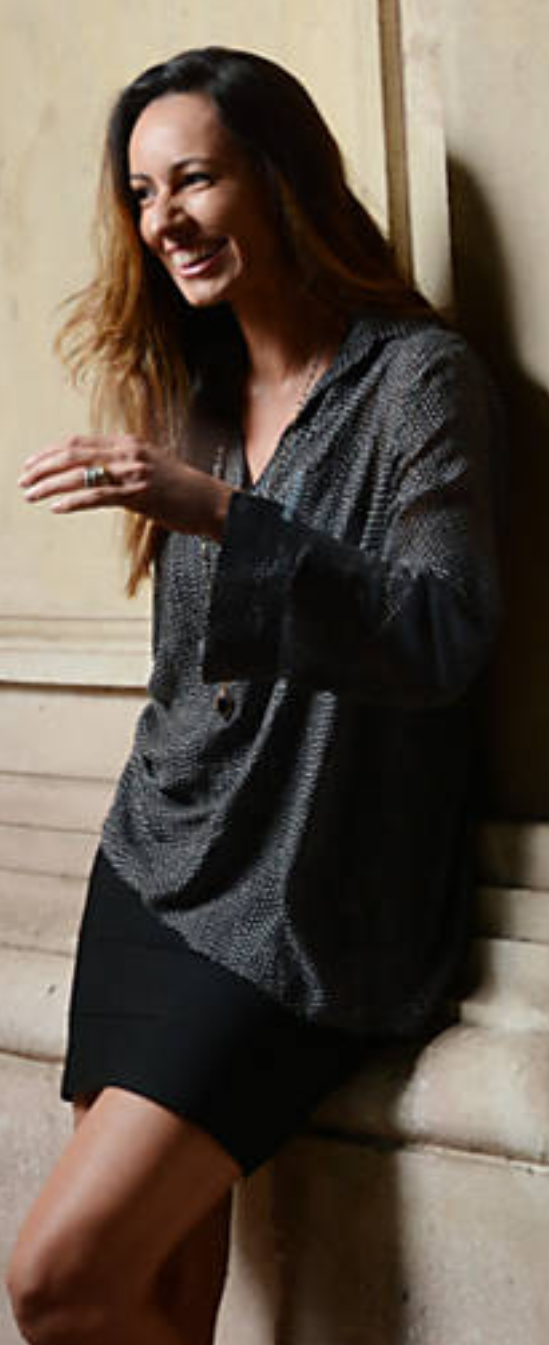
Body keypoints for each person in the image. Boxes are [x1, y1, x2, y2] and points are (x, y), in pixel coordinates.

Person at [7, 44, 503, 1345]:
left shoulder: (418, 382)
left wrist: (228, 515)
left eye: (195, 179)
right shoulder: (195, 396)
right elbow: (188, 677)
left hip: (302, 898)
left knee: (54, 1283)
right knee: (157, 1301)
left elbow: (443, 633)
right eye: (142, 192)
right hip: (151, 870)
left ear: (280, 179)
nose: (163, 218)